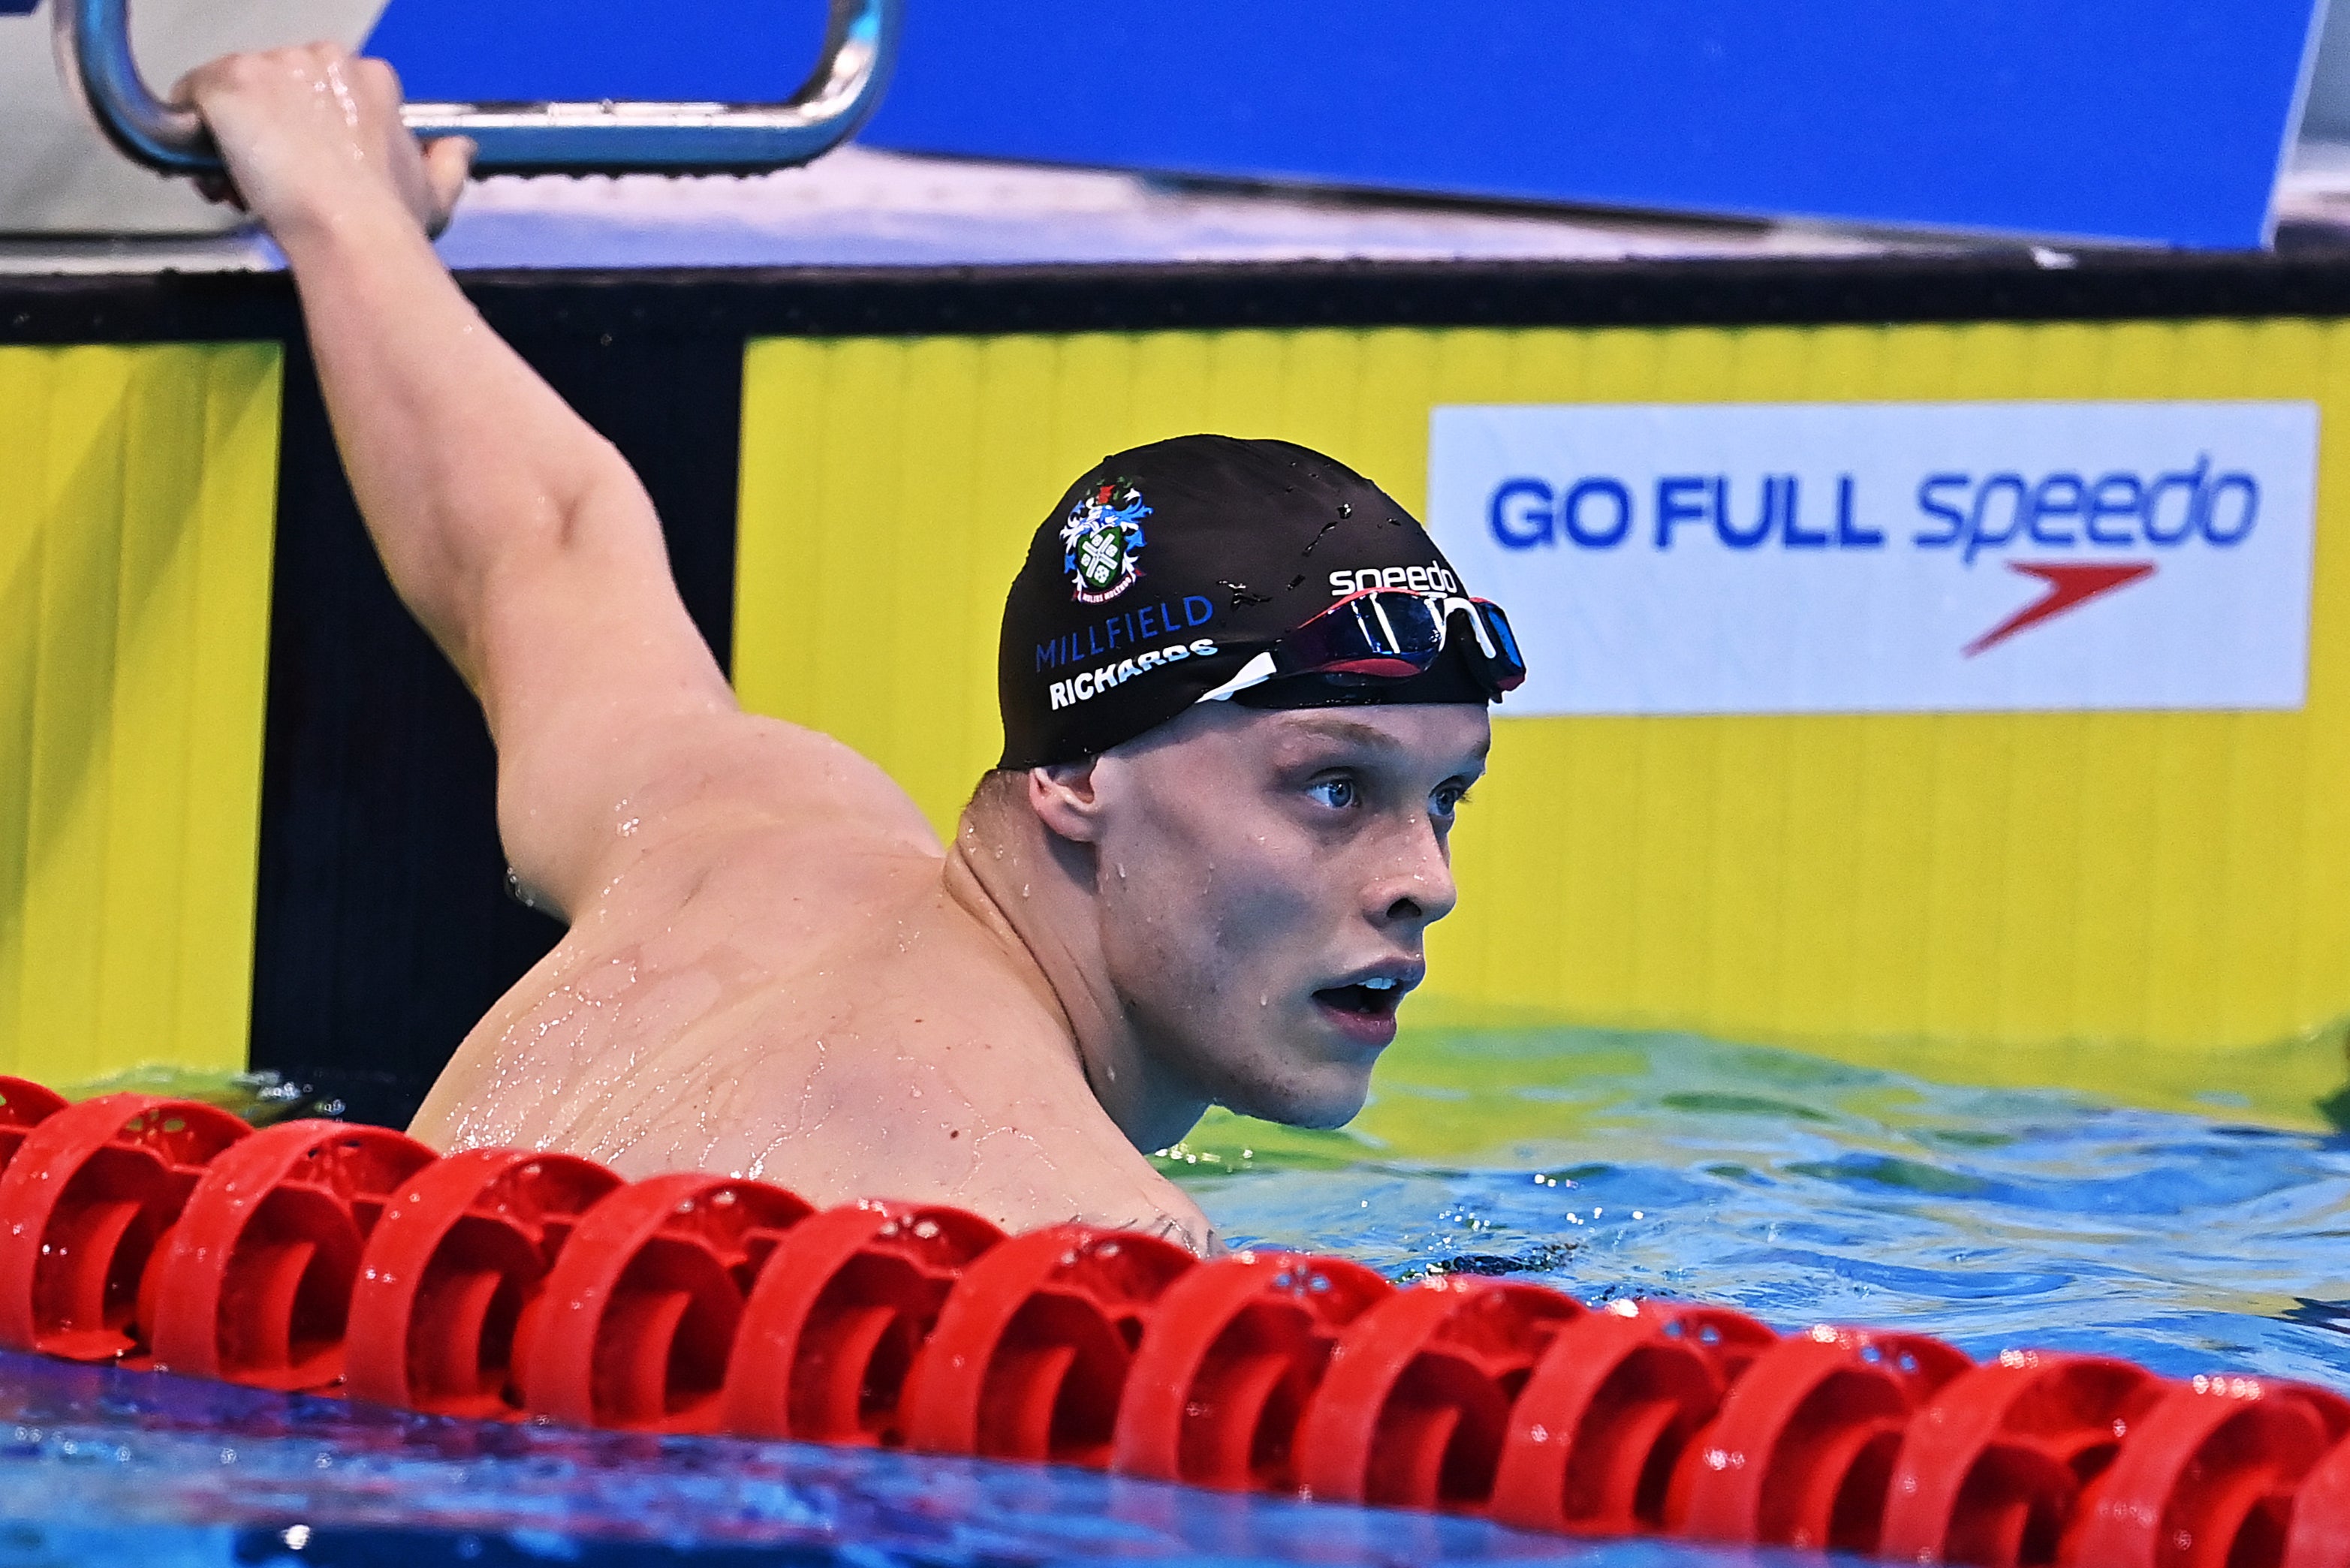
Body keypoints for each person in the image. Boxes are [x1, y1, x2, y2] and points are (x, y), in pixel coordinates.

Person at [183, 45, 1524, 1253]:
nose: (1425, 883)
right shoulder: (1071, 1247)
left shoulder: (744, 832)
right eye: (1333, 786)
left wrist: (338, 208)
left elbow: (540, 544)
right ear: (1077, 776)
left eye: (1443, 797)